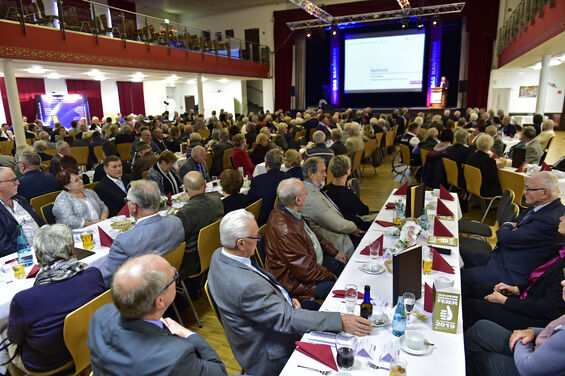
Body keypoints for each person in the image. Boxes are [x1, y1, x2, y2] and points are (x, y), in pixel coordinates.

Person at [208, 209, 373, 376]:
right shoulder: (246, 286)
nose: (259, 239)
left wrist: (283, 297)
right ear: (241, 243)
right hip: (271, 353)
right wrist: (341, 321)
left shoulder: (219, 255)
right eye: (256, 236)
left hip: (264, 324)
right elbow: (286, 318)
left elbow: (261, 288)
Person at [88, 254, 227, 376]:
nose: (174, 274)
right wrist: (187, 333)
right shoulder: (176, 356)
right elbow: (220, 371)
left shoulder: (100, 316)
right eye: (173, 277)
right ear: (159, 301)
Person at [7, 224, 105, 374]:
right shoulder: (93, 275)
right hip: (89, 347)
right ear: (72, 251)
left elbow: (14, 338)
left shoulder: (24, 300)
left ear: (38, 257)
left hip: (49, 364)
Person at [462, 172, 565, 289]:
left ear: (545, 193)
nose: (523, 192)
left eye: (528, 189)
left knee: (462, 277)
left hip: (511, 272)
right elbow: (515, 221)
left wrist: (507, 225)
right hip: (501, 257)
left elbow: (505, 237)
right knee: (460, 256)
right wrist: (511, 226)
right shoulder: (541, 206)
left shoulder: (550, 219)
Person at [463, 214, 565, 330]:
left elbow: (549, 308)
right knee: (473, 289)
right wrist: (517, 289)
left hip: (536, 320)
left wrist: (505, 301)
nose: (560, 218)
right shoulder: (562, 251)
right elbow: (541, 281)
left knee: (470, 307)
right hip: (527, 297)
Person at [265, 178, 346, 306]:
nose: (307, 195)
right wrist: (331, 276)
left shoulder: (290, 212)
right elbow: (305, 271)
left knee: (342, 265)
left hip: (311, 262)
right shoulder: (286, 230)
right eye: (305, 193)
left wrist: (334, 252)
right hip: (296, 283)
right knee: (337, 287)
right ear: (298, 200)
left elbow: (313, 235)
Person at [465, 279, 565, 376]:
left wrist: (520, 340)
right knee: (481, 328)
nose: (562, 282)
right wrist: (534, 331)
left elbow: (528, 368)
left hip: (530, 365)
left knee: (478, 360)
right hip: (536, 347)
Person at [100, 180, 184, 286]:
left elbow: (106, 281)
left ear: (134, 206)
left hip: (141, 292)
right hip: (169, 279)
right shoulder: (176, 222)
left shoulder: (124, 241)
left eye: (127, 200)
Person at [301, 157, 363, 256]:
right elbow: (337, 224)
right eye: (322, 172)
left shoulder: (314, 189)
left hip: (340, 233)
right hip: (337, 244)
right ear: (310, 174)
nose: (325, 175)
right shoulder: (311, 198)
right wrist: (354, 228)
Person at [175, 171, 224, 278]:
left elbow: (177, 242)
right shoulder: (217, 201)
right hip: (214, 250)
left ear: (185, 188)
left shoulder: (184, 213)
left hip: (193, 262)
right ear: (205, 184)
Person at [0, 167, 43, 256]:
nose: (18, 183)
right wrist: (30, 253)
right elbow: (4, 247)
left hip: (44, 248)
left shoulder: (21, 200)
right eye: (13, 180)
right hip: (24, 257)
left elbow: (40, 223)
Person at [323, 155, 370, 231]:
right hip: (352, 229)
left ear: (331, 171)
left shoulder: (325, 190)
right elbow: (364, 210)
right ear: (348, 171)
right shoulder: (346, 194)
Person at [246, 149, 291, 226]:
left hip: (264, 222)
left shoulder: (257, 180)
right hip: (286, 219)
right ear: (281, 163)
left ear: (266, 163)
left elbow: (249, 203)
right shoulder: (289, 178)